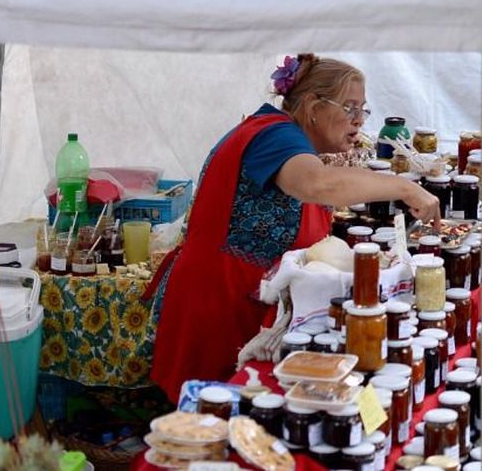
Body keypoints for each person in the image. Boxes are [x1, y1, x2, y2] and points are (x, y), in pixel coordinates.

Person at [148, 55, 441, 400]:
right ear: (313, 106)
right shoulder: (274, 136)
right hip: (219, 303)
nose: (358, 121)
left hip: (247, 298)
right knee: (210, 421)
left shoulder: (288, 138)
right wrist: (405, 187)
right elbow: (317, 184)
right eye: (349, 108)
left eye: (363, 110)